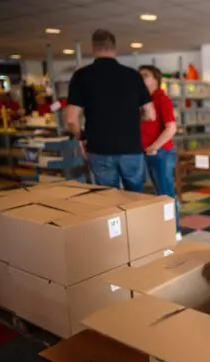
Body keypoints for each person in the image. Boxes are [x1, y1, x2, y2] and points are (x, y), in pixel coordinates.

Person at [65, 29, 156, 192]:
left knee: (108, 197)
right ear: (115, 49)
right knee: (136, 196)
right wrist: (131, 117)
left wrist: (81, 137)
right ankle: (135, 218)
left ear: (93, 48)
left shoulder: (81, 76)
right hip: (131, 147)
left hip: (99, 148)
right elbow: (150, 114)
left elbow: (71, 119)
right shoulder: (133, 75)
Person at [138, 65, 180, 236]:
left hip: (161, 152)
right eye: (139, 75)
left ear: (156, 79)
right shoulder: (142, 100)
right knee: (158, 194)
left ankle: (174, 232)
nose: (141, 78)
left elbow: (171, 128)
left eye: (145, 75)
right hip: (149, 152)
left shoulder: (162, 99)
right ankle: (164, 230)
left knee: (166, 194)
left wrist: (154, 147)